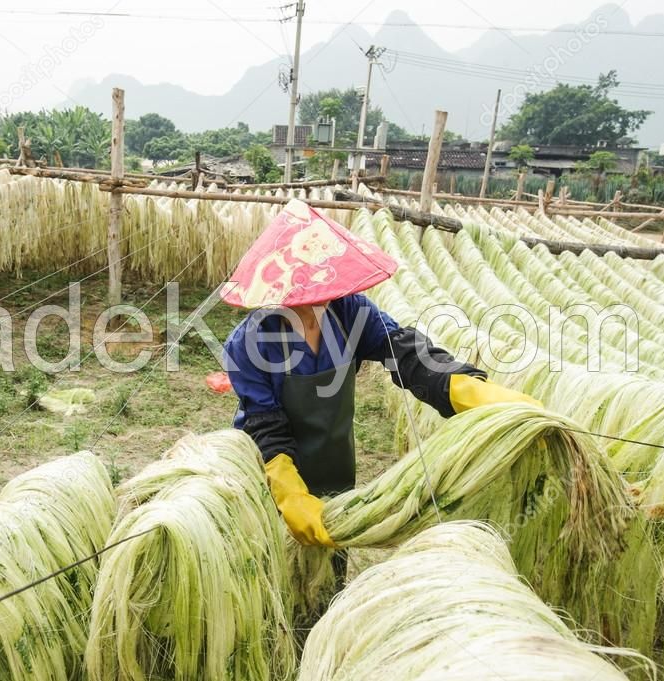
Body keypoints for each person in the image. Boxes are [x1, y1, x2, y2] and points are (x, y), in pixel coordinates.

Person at [221, 199, 540, 550]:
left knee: (331, 555)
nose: (317, 301)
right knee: (273, 556)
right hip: (273, 472)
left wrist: (461, 385)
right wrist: (289, 493)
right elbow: (265, 425)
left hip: (334, 461)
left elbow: (405, 353)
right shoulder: (249, 344)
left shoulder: (349, 312)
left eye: (322, 286)